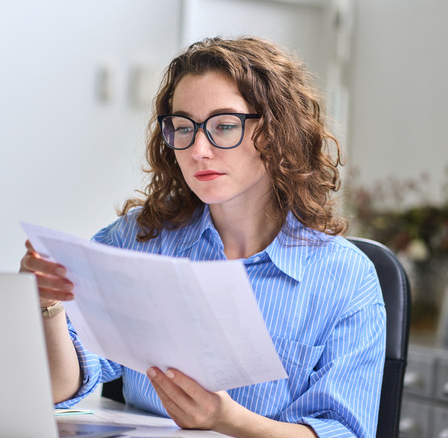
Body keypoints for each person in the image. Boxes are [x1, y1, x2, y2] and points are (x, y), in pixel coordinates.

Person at [20, 36, 386, 438]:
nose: (197, 149)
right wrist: (48, 305)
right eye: (182, 127)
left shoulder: (348, 278)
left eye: (224, 126)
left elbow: (344, 432)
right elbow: (59, 389)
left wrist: (227, 420)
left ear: (276, 132)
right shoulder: (138, 238)